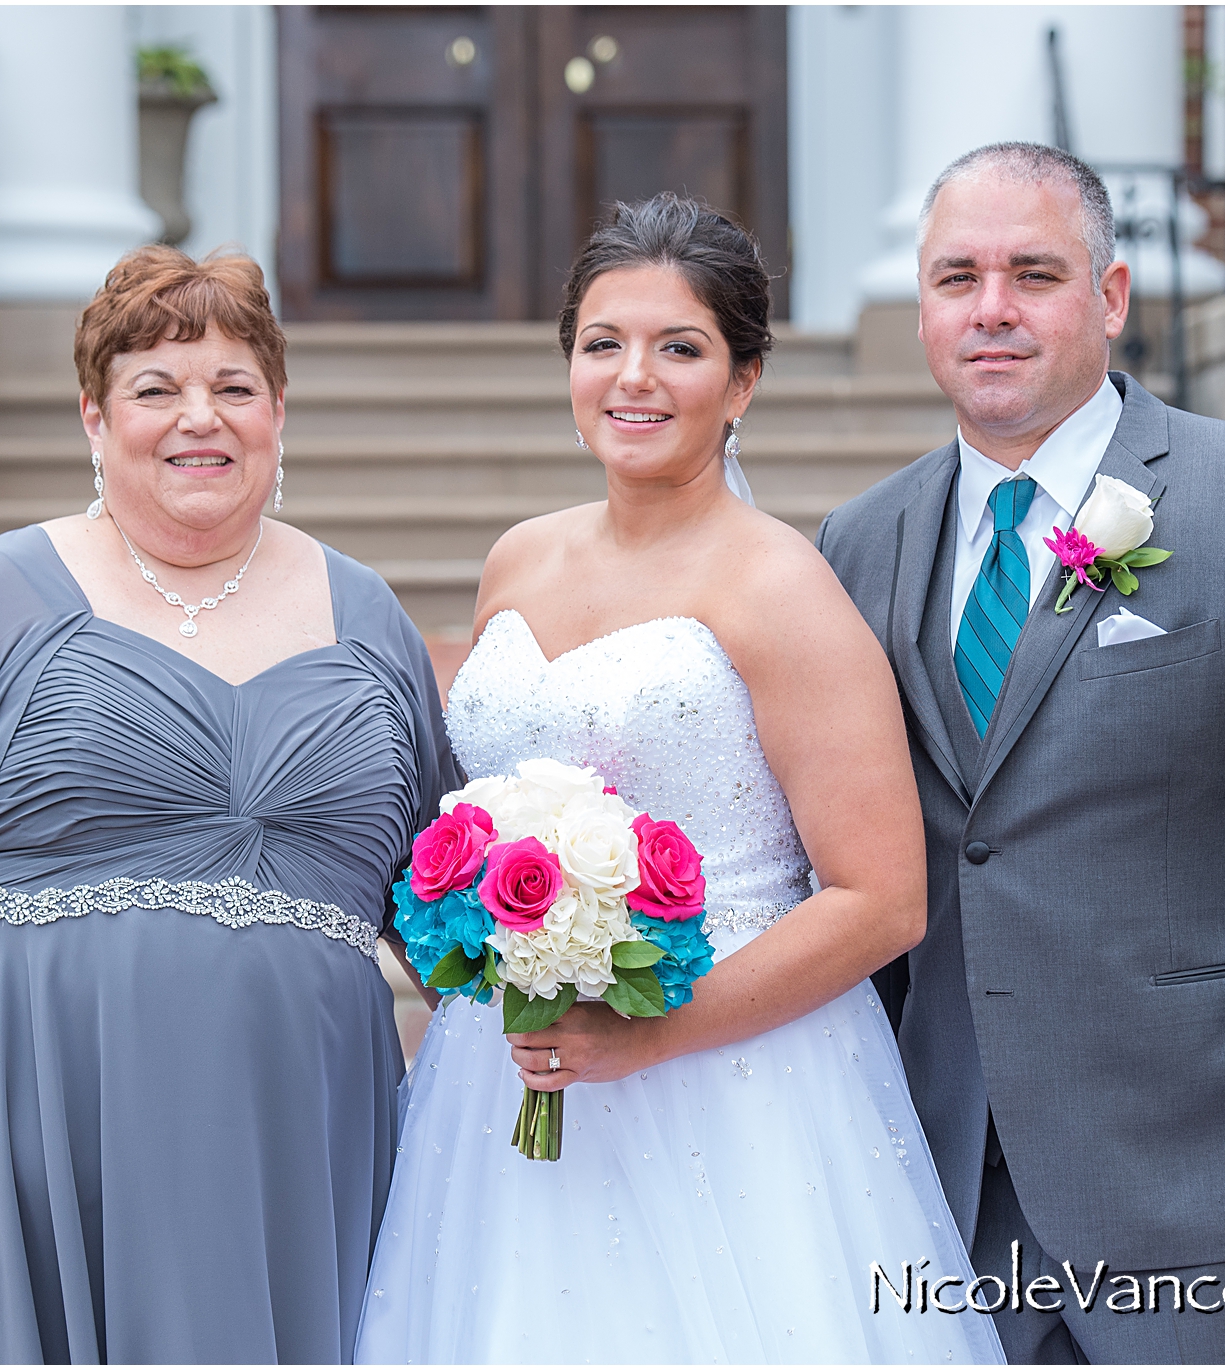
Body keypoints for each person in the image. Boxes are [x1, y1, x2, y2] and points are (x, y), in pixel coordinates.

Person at [353, 195, 1005, 1364]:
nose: (632, 378)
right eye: (602, 342)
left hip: (735, 1082)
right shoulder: (517, 556)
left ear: (742, 380)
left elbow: (880, 897)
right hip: (500, 1070)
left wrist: (648, 1035)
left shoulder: (780, 586)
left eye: (680, 347)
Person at [816, 141, 1225, 1363]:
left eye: (1030, 273)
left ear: (1108, 297)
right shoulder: (861, 538)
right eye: (955, 278)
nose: (989, 308)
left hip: (1209, 1160)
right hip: (949, 1169)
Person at [0, 246, 454, 1363]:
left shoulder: (367, 614)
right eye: (156, 388)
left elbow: (442, 903)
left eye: (235, 386)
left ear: (278, 413)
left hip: (292, 1126)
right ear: (95, 418)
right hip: (18, 1101)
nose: (201, 416)